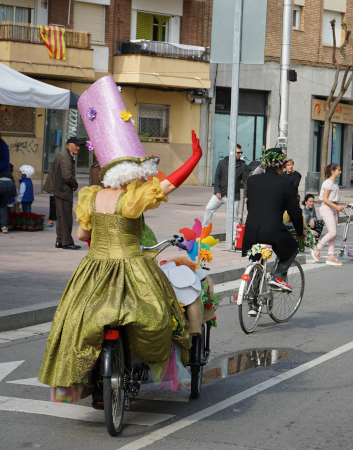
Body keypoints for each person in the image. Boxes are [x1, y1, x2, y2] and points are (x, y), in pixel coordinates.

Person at [38, 75, 202, 401]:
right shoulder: (131, 200)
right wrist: (193, 158)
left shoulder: (91, 197)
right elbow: (166, 186)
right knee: (155, 316)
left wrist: (99, 241)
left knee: (81, 323)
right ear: (129, 175)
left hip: (94, 269)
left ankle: (95, 384)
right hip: (132, 267)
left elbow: (83, 234)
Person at [242, 147, 305, 298]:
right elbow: (294, 211)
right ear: (280, 165)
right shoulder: (285, 183)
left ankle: (252, 302)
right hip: (272, 231)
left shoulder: (252, 180)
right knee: (293, 247)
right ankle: (278, 276)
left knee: (255, 258)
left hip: (251, 232)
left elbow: (249, 205)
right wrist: (299, 231)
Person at [44, 137, 81, 250]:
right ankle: (67, 242)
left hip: (59, 190)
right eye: (76, 145)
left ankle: (60, 241)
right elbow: (67, 176)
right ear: (69, 145)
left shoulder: (65, 155)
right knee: (65, 218)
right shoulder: (65, 157)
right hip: (62, 190)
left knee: (61, 217)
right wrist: (75, 184)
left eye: (79, 146)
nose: (78, 148)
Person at [203, 144, 247, 227]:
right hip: (221, 194)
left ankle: (234, 238)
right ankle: (204, 230)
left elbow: (245, 182)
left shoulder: (243, 166)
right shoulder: (222, 163)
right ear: (232, 152)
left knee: (234, 218)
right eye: (238, 152)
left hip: (234, 196)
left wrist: (246, 195)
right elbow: (217, 178)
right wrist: (217, 191)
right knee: (208, 209)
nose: (240, 154)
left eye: (241, 152)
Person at [311, 163, 344, 267]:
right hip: (327, 208)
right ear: (332, 171)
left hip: (333, 209)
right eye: (338, 170)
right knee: (332, 232)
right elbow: (324, 199)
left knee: (333, 235)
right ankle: (317, 248)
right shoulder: (328, 183)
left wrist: (337, 209)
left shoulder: (335, 183)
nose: (340, 172)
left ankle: (331, 256)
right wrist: (336, 207)